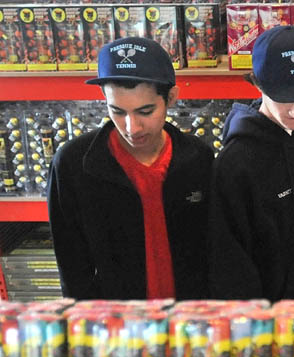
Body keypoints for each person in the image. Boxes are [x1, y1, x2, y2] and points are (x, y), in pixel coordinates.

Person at [47, 37, 213, 300]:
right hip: (115, 328)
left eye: (145, 112)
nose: (131, 127)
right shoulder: (72, 165)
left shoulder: (199, 159)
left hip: (189, 323)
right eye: (118, 111)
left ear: (171, 98)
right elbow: (72, 268)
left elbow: (213, 252)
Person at [208, 25, 294, 301]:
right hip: (269, 322)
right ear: (258, 84)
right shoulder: (234, 163)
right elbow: (230, 261)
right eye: (284, 99)